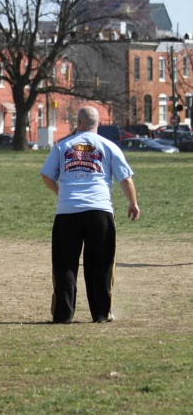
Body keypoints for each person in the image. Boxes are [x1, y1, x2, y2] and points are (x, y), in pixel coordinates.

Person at [40, 106, 140, 324]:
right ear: (98, 124)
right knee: (101, 264)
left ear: (78, 123)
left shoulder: (63, 146)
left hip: (68, 212)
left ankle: (63, 315)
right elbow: (125, 178)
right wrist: (132, 203)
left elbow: (45, 174)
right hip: (100, 211)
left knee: (65, 264)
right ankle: (101, 314)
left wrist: (61, 192)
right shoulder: (108, 146)